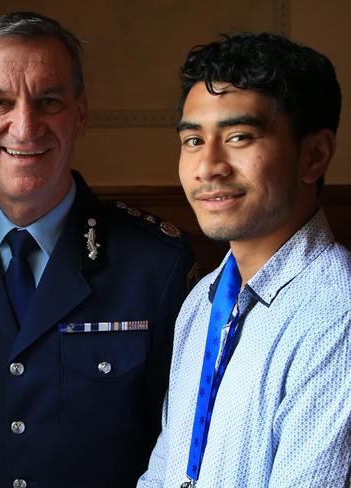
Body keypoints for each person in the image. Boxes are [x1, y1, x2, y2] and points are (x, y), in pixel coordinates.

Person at [0, 11, 195, 488]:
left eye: (49, 101)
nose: (25, 125)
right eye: (0, 102)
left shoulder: (155, 263)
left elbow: (176, 443)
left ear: (80, 115)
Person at [138, 32, 351, 487]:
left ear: (314, 156)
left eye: (238, 136)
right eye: (193, 140)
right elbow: (165, 470)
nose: (208, 166)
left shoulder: (338, 316)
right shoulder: (201, 302)